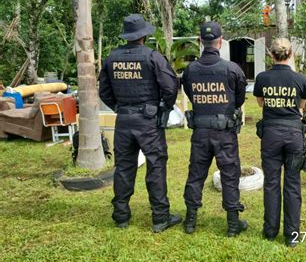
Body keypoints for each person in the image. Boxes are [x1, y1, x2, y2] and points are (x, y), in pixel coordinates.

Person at [99, 14, 182, 232]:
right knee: (155, 165)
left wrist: (119, 107)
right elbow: (171, 86)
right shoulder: (152, 57)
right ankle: (160, 217)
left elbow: (104, 92)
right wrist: (164, 108)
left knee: (124, 167)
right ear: (144, 35)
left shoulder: (112, 58)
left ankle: (121, 216)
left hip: (124, 121)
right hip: (148, 121)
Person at [182, 21, 248, 237]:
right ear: (220, 41)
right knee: (230, 175)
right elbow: (238, 100)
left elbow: (192, 95)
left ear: (201, 41)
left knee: (196, 174)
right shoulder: (231, 69)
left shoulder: (190, 70)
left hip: (200, 131)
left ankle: (190, 222)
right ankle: (232, 225)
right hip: (224, 133)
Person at [253, 38, 306, 248]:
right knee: (293, 184)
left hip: (271, 135)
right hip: (294, 135)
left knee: (271, 183)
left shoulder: (262, 78)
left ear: (271, 55)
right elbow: (302, 106)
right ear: (291, 54)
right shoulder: (300, 79)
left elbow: (260, 102)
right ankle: (292, 236)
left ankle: (270, 232)